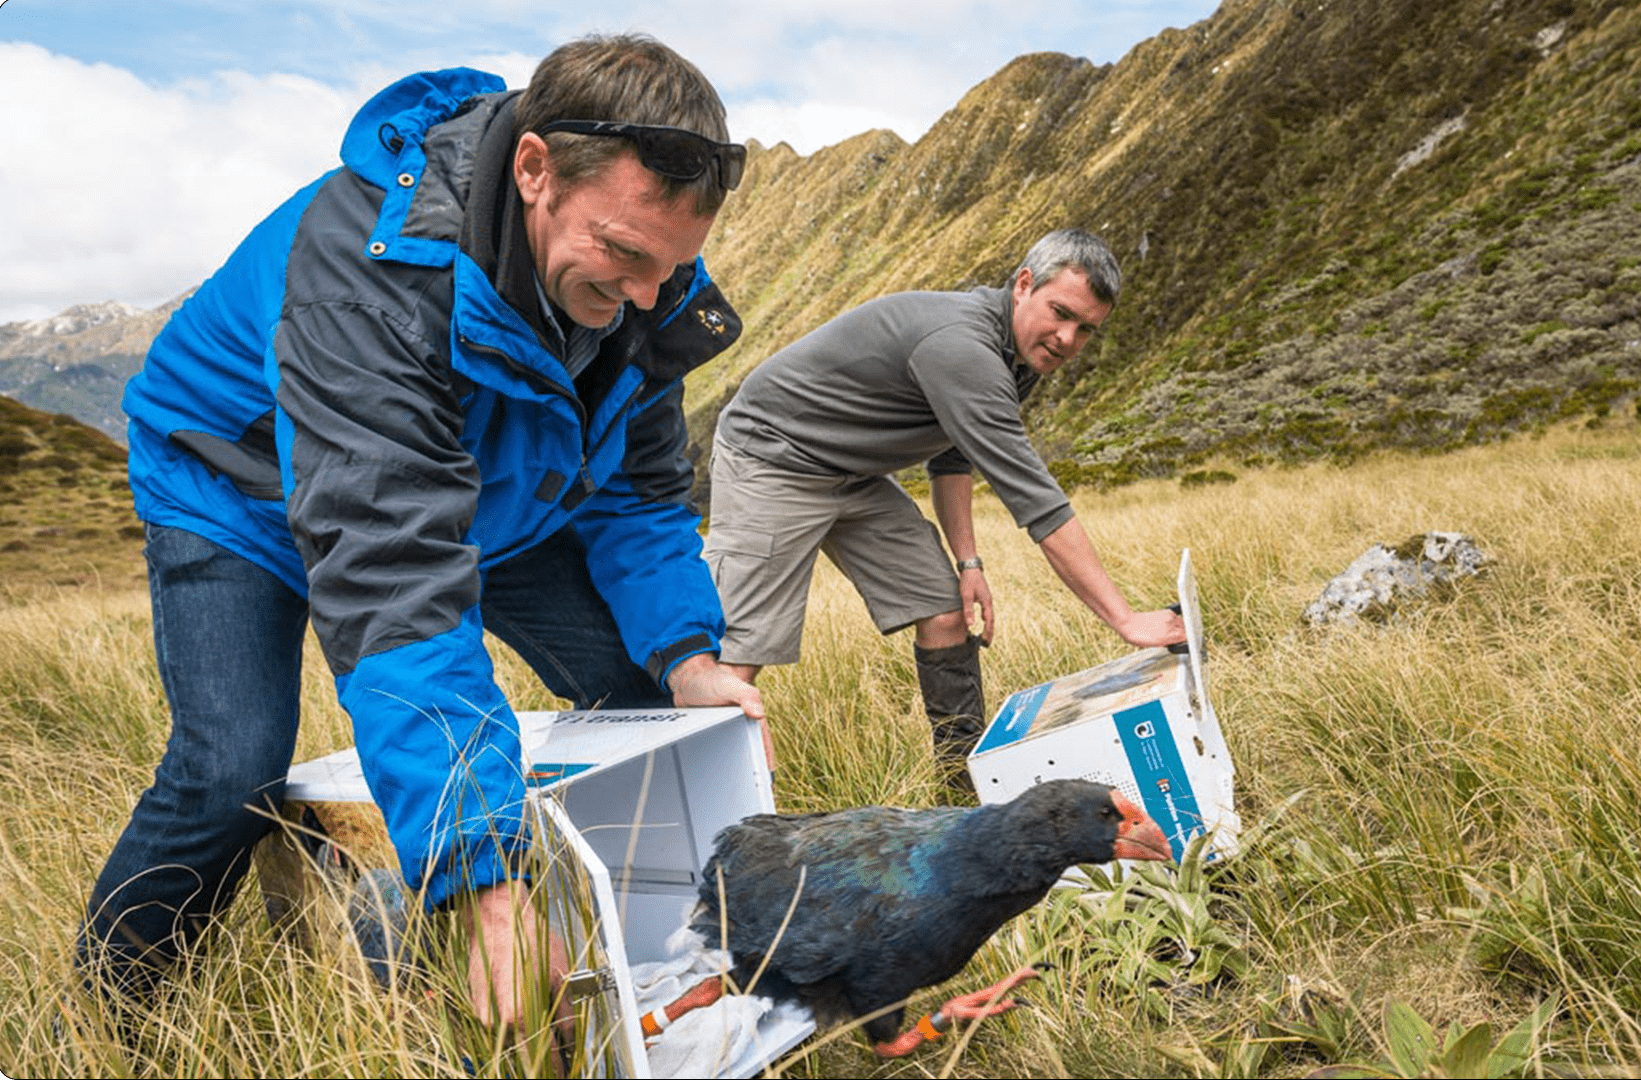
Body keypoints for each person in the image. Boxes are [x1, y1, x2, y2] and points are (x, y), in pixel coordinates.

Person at [79, 34, 762, 1036]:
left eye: (674, 264)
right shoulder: (367, 277)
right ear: (534, 169)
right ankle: (108, 1014)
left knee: (648, 690)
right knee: (233, 767)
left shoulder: (642, 295)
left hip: (485, 488)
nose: (650, 296)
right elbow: (394, 570)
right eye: (623, 255)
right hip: (240, 493)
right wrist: (482, 883)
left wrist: (689, 655)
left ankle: (645, 976)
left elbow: (640, 496)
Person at [703, 229, 1185, 787]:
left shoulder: (1018, 357)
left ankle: (962, 787)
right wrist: (1124, 620)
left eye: (1086, 330)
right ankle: (707, 815)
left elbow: (950, 458)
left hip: (852, 469)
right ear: (1023, 284)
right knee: (741, 648)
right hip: (774, 452)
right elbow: (1037, 501)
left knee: (944, 610)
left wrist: (969, 564)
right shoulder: (964, 347)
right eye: (1060, 313)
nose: (1067, 338)